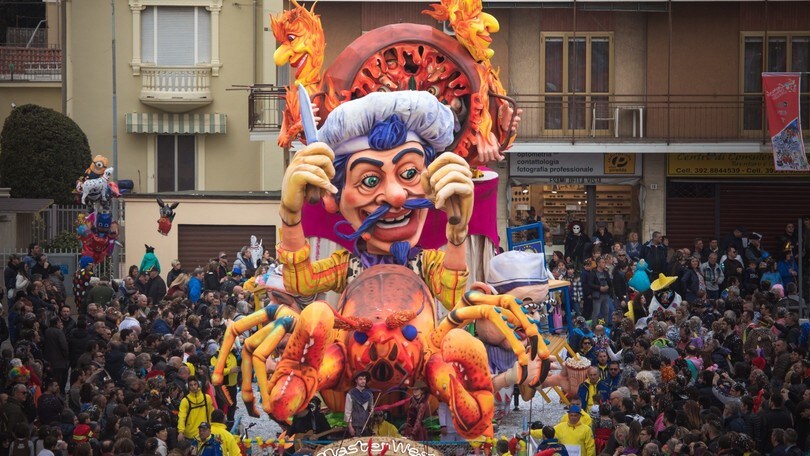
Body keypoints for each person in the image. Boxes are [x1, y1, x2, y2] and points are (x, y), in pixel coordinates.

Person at [276, 91, 474, 313]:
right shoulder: (347, 267)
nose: (396, 196)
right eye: (370, 180)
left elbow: (452, 295)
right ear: (332, 197)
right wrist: (290, 216)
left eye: (409, 173)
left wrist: (458, 234)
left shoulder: (425, 264)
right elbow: (300, 283)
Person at [344, 371, 374, 437]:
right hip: (355, 426)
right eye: (361, 379)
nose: (363, 381)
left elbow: (371, 408)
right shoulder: (351, 394)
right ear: (356, 380)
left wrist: (371, 412)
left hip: (366, 425)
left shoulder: (369, 394)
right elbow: (347, 412)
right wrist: (350, 427)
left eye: (364, 379)